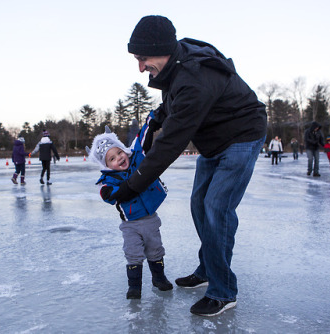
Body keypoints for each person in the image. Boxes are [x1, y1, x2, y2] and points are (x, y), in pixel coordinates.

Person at [109, 15, 267, 316]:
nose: (141, 67)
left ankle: (223, 291)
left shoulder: (194, 77)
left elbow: (170, 144)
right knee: (199, 205)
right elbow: (174, 101)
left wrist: (132, 185)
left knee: (216, 207)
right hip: (215, 138)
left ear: (161, 50)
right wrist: (159, 115)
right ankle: (209, 268)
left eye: (143, 58)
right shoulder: (177, 65)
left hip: (241, 136)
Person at [86, 117, 173, 300]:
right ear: (107, 165)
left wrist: (153, 117)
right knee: (133, 254)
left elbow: (142, 137)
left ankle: (159, 278)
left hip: (150, 219)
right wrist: (119, 190)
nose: (119, 158)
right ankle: (134, 286)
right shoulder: (109, 180)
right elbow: (107, 195)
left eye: (119, 153)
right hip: (130, 225)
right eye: (112, 158)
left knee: (155, 249)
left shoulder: (137, 160)